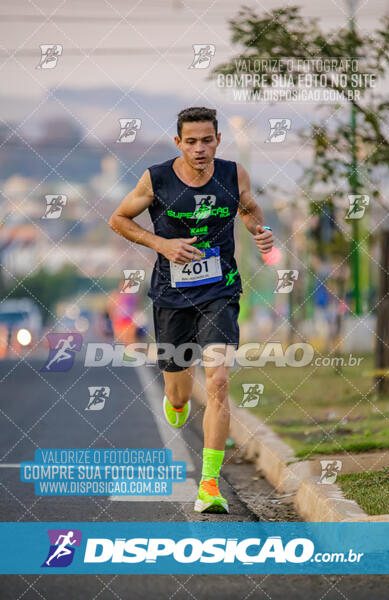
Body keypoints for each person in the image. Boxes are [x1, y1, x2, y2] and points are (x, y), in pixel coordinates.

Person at [109, 107, 273, 513]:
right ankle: (177, 400)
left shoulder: (233, 175)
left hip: (220, 289)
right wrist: (162, 245)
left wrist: (260, 232)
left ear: (218, 140)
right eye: (192, 141)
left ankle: (210, 486)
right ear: (178, 143)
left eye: (207, 140)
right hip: (171, 296)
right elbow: (118, 219)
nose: (200, 149)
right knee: (178, 392)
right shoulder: (157, 178)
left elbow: (249, 209)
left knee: (217, 380)